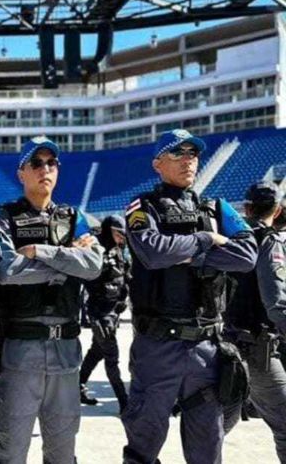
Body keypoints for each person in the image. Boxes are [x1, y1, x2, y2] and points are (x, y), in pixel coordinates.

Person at [121, 129, 257, 464]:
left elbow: (247, 255)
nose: (188, 160)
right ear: (157, 163)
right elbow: (152, 251)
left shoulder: (217, 207)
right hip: (157, 348)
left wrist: (186, 254)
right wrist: (207, 240)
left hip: (206, 351)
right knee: (142, 449)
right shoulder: (142, 207)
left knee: (208, 453)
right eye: (177, 154)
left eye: (192, 154)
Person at [0, 136, 103, 464]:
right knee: (11, 449)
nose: (45, 169)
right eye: (36, 163)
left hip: (66, 350)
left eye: (51, 163)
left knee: (63, 449)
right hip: (20, 348)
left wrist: (42, 252)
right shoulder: (5, 216)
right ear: (21, 172)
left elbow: (94, 265)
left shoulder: (73, 216)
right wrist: (67, 263)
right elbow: (8, 270)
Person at [223, 181, 286, 462]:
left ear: (246, 208)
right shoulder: (268, 240)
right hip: (256, 348)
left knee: (213, 427)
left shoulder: (231, 237)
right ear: (279, 209)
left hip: (223, 344)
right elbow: (276, 303)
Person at [79, 215, 131, 413]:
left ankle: (79, 385)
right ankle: (124, 402)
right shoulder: (95, 249)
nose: (122, 238)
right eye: (119, 233)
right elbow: (86, 278)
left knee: (97, 351)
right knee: (112, 356)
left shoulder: (119, 250)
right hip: (100, 312)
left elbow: (125, 276)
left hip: (114, 311)